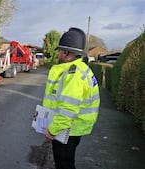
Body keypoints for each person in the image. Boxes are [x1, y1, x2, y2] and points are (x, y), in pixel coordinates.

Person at [43, 27, 100, 169]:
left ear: (66, 52)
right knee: (66, 163)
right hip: (72, 129)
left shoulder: (72, 75)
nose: (58, 54)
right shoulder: (82, 68)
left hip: (67, 130)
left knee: (64, 165)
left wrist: (52, 130)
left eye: (60, 50)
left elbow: (68, 109)